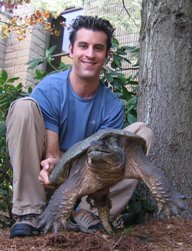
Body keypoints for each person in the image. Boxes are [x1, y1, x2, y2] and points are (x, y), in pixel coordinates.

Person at [6, 15, 154, 238]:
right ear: (71, 49)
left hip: (89, 178)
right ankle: (29, 212)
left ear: (106, 55)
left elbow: (107, 159)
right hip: (46, 171)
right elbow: (53, 153)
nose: (90, 54)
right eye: (83, 46)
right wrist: (51, 167)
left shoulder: (112, 105)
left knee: (143, 133)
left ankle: (89, 212)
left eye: (98, 48)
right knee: (23, 107)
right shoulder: (51, 88)